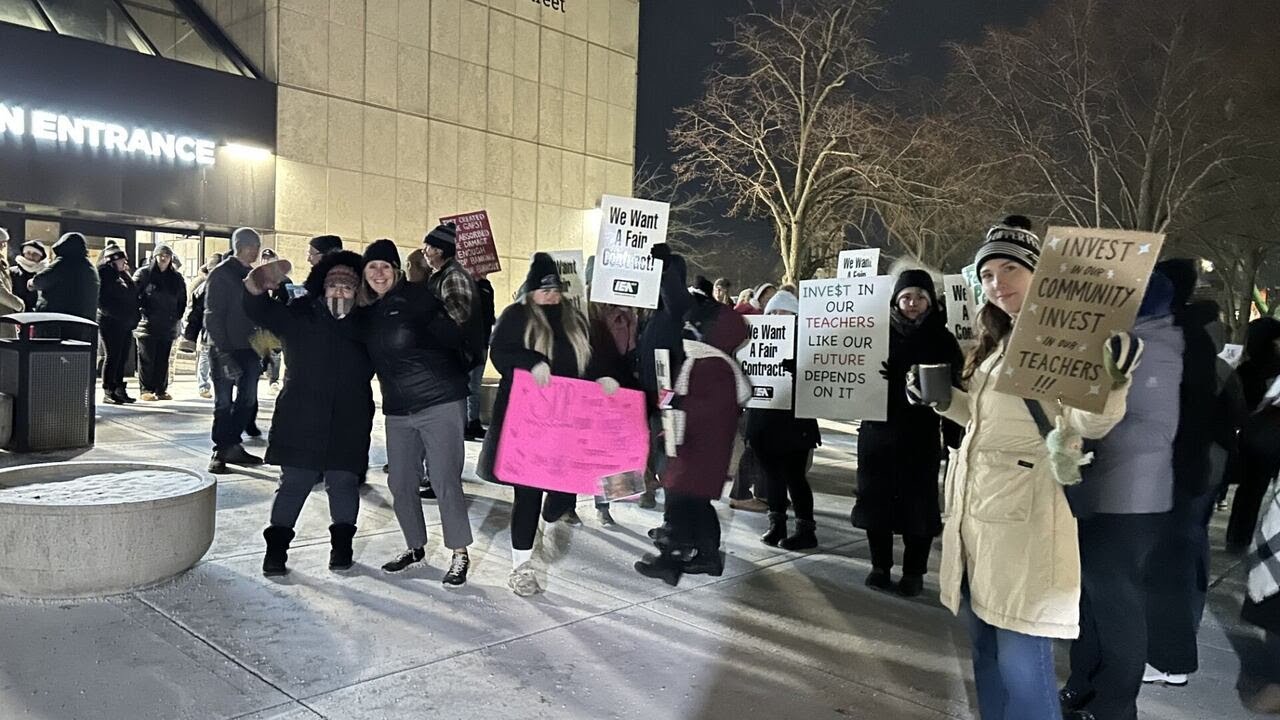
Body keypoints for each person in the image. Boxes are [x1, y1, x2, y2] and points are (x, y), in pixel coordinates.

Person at [922, 216, 1141, 720]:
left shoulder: (1063, 339)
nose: (998, 283)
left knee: (1023, 668)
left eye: (1010, 269)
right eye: (988, 275)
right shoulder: (998, 341)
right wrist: (941, 402)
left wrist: (1114, 378)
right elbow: (988, 422)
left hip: (1025, 524)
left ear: (1040, 273)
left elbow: (1088, 421)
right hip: (977, 520)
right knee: (987, 656)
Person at [1060, 270, 1182, 720]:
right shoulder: (1129, 340)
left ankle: (1115, 704)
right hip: (1105, 493)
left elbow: (1152, 432)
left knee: (1116, 608)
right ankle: (1083, 687)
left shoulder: (1155, 349)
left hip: (1130, 499)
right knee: (1092, 600)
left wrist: (1085, 439)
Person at [479, 253, 618, 596]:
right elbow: (500, 352)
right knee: (527, 496)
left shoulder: (575, 320)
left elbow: (592, 358)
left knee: (559, 498)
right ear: (530, 290)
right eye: (543, 290)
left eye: (555, 289)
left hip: (568, 423)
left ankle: (552, 516)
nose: (550, 295)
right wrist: (530, 362)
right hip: (529, 422)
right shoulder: (517, 316)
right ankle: (521, 567)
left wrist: (603, 377)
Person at [1142, 261, 1249, 689]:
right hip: (1202, 467)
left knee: (1168, 561)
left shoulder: (1176, 340)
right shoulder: (1206, 340)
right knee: (1184, 556)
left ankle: (1169, 658)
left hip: (1180, 466)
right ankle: (1173, 653)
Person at [245, 250, 373, 577]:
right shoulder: (300, 315)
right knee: (295, 482)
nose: (340, 293)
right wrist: (256, 284)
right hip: (301, 415)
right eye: (334, 286)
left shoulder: (368, 324)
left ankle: (342, 548)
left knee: (343, 483)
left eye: (347, 287)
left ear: (357, 291)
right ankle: (276, 551)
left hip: (350, 417)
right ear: (323, 287)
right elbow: (258, 309)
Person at [358, 239, 473, 585]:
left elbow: (455, 336)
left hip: (439, 401)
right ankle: (415, 547)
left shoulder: (419, 297)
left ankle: (459, 552)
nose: (379, 272)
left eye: (385, 266)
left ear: (396, 270)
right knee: (401, 481)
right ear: (365, 273)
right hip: (398, 408)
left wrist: (433, 328)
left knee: (443, 479)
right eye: (372, 266)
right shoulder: (367, 312)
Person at [851, 269, 964, 597]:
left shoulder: (941, 339)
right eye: (906, 297)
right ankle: (880, 566)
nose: (912, 303)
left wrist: (953, 434)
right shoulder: (873, 334)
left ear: (929, 301)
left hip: (920, 436)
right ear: (895, 300)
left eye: (919, 297)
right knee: (876, 504)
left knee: (918, 507)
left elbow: (955, 390)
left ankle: (914, 572)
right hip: (877, 433)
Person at [636, 302, 751, 586]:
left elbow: (706, 409)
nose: (686, 332)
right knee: (698, 507)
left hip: (696, 453)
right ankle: (709, 556)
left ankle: (669, 562)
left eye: (693, 329)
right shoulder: (704, 362)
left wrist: (676, 403)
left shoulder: (712, 366)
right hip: (699, 452)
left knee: (678, 506)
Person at [748, 289, 823, 550]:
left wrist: (799, 371)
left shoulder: (808, 343)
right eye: (775, 313)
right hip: (764, 420)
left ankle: (805, 529)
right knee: (772, 477)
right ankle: (776, 524)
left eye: (786, 313)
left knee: (795, 476)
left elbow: (820, 380)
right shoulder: (756, 342)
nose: (780, 317)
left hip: (795, 423)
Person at [205, 228, 266, 474]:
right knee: (223, 402)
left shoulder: (253, 275)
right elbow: (212, 315)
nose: (257, 251)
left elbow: (259, 311)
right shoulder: (221, 274)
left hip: (249, 348)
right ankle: (221, 450)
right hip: (225, 348)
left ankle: (232, 445)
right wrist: (223, 352)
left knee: (247, 400)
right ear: (243, 246)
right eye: (255, 246)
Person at [637, 244, 693, 509]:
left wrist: (666, 267)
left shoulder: (679, 310)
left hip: (669, 393)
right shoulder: (651, 313)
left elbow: (676, 297)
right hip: (647, 390)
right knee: (647, 444)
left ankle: (670, 491)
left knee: (666, 445)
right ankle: (648, 487)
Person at [1227, 317, 1280, 550]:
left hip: (1251, 437)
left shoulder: (1245, 369)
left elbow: (1239, 405)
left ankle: (1237, 537)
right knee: (1259, 492)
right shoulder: (1276, 368)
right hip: (1272, 437)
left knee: (1248, 491)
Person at [587, 297, 641, 526]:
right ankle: (567, 504)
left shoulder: (633, 316)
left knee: (611, 449)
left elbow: (631, 352)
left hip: (622, 387)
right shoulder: (590, 316)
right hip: (595, 386)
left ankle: (605, 503)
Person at [133, 245, 187, 402]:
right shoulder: (144, 274)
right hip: (147, 325)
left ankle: (161, 389)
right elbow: (134, 296)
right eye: (161, 255)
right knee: (147, 359)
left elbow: (182, 299)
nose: (163, 258)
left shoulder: (176, 278)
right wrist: (141, 313)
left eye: (167, 256)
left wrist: (177, 316)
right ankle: (146, 389)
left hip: (167, 325)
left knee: (163, 360)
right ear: (154, 257)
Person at [97, 244, 141, 405]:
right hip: (111, 322)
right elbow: (102, 300)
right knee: (112, 356)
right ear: (113, 260)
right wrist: (117, 314)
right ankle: (109, 389)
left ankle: (119, 388)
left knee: (122, 357)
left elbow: (132, 295)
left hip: (125, 323)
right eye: (122, 260)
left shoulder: (124, 275)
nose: (125, 263)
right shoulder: (105, 274)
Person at [32, 232, 100, 333]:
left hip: (57, 326)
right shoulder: (90, 268)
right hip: (84, 327)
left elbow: (39, 281)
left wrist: (30, 283)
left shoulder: (62, 263)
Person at [182, 254, 222, 398]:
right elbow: (195, 311)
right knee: (206, 354)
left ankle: (209, 384)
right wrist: (190, 334)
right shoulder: (204, 286)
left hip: (219, 327)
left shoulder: (224, 285)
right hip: (209, 326)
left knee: (213, 355)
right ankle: (203, 385)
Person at [465, 270, 496, 441]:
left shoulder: (486, 287)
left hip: (481, 343)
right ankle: (467, 422)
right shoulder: (465, 285)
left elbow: (489, 314)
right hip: (469, 343)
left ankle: (473, 422)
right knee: (467, 384)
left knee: (474, 385)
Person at [11, 239, 48, 311]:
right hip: (18, 314)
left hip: (41, 313)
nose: (31, 256)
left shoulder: (46, 273)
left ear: (41, 257)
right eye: (28, 253)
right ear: (23, 254)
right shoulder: (13, 272)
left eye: (35, 254)